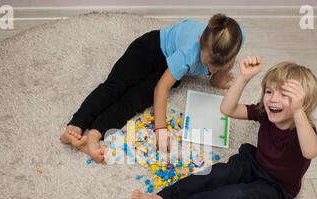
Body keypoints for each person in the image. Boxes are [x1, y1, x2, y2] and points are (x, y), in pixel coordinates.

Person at [130, 57, 317, 199]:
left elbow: (310, 151)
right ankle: (162, 197)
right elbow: (228, 109)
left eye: (285, 96)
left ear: (303, 105)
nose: (273, 99)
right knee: (216, 174)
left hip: (277, 188)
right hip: (254, 164)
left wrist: (297, 111)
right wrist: (243, 78)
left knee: (235, 195)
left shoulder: (304, 129)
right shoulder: (264, 112)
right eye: (269, 91)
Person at [60, 14, 243, 163]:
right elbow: (161, 90)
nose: (211, 70)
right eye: (209, 64)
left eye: (217, 66)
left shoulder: (233, 39)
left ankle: (94, 134)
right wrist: (161, 129)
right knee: (115, 86)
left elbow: (226, 63)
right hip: (150, 49)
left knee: (134, 101)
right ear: (200, 41)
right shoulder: (187, 54)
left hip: (167, 68)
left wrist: (217, 81)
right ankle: (76, 124)